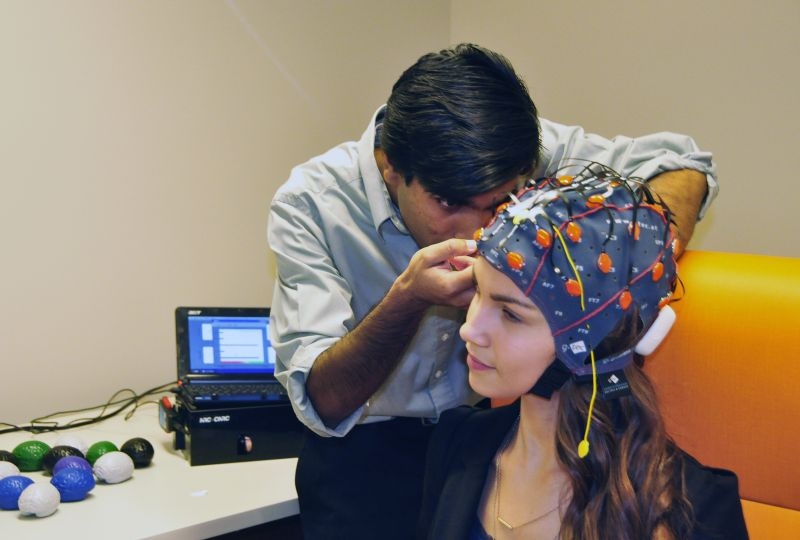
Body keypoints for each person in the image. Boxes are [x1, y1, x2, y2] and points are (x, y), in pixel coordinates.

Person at [267, 43, 717, 539]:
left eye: (501, 202)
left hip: (480, 434)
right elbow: (322, 400)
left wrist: (638, 264)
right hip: (363, 459)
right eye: (449, 203)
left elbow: (682, 163)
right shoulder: (309, 204)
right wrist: (409, 298)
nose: (480, 230)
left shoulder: (517, 149)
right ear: (390, 166)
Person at [416, 166, 748, 539]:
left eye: (510, 314)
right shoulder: (458, 442)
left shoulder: (690, 509)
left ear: (591, 339)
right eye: (478, 290)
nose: (469, 329)